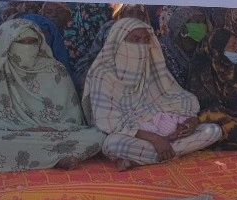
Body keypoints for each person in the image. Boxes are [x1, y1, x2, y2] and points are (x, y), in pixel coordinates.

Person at [83, 18, 222, 170]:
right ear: (119, 42)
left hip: (169, 132)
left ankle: (145, 158)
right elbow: (109, 122)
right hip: (134, 136)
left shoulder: (150, 65)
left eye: (146, 40)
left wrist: (191, 122)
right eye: (135, 40)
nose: (142, 46)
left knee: (213, 131)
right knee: (112, 144)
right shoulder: (102, 74)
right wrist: (155, 139)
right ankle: (165, 153)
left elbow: (178, 97)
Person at [0, 18, 105, 172]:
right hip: (9, 134)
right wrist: (24, 128)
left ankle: (53, 156)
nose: (27, 48)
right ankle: (55, 158)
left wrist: (49, 128)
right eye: (21, 42)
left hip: (52, 135)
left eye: (32, 42)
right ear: (6, 44)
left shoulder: (55, 70)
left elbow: (72, 120)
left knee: (97, 136)